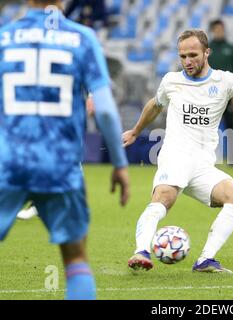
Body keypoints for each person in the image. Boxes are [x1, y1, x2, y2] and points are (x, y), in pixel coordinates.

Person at [122, 29, 233, 273]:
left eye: (193, 54)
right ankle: (141, 251)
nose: (187, 61)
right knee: (163, 200)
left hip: (203, 166)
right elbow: (154, 104)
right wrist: (135, 131)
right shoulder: (171, 81)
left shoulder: (223, 81)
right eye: (182, 56)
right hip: (175, 157)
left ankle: (205, 260)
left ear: (206, 52)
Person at [0, 0, 130, 300]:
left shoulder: (4, 38)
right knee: (75, 258)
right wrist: (120, 163)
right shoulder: (81, 38)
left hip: (9, 161)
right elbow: (107, 112)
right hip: (60, 164)